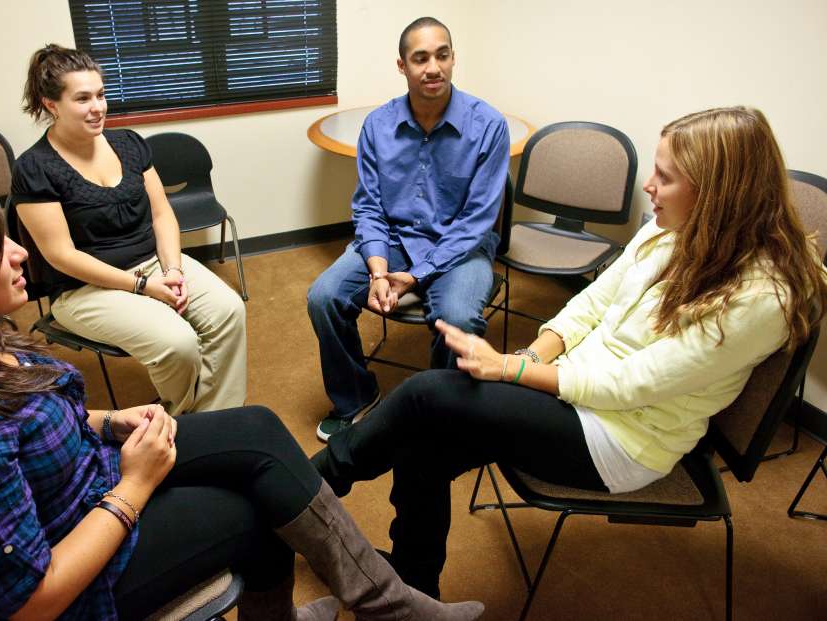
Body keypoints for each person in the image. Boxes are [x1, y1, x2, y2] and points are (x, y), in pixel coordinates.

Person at [0, 176, 486, 621]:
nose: (18, 251)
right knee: (259, 508)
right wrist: (135, 486)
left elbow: (20, 420)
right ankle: (378, 608)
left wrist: (108, 420)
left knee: (258, 428)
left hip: (80, 478)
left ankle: (387, 603)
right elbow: (30, 602)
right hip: (77, 565)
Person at [312, 106, 827, 597]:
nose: (649, 186)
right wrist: (532, 358)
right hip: (576, 388)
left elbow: (633, 385)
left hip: (624, 438)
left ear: (719, 195)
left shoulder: (760, 298)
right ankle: (412, 587)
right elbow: (591, 303)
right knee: (421, 441)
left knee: (426, 394)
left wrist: (508, 369)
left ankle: (307, 489)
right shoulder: (670, 228)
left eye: (666, 177)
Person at [11, 44, 244, 416]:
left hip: (153, 264)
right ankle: (186, 425)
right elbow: (61, 256)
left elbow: (162, 215)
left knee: (228, 311)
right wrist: (143, 286)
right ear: (51, 104)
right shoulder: (34, 167)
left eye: (101, 95)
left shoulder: (129, 144)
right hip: (84, 289)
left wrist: (172, 270)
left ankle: (216, 418)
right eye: (82, 98)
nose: (98, 107)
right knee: (177, 342)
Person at [307, 17, 510, 441]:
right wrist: (379, 271)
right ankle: (356, 396)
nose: (433, 68)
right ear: (402, 66)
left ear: (453, 59)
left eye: (442, 55)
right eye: (420, 58)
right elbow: (369, 207)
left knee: (457, 316)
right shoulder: (378, 126)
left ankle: (439, 412)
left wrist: (417, 275)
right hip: (395, 240)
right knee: (324, 297)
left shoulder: (489, 125)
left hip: (462, 245)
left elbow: (477, 219)